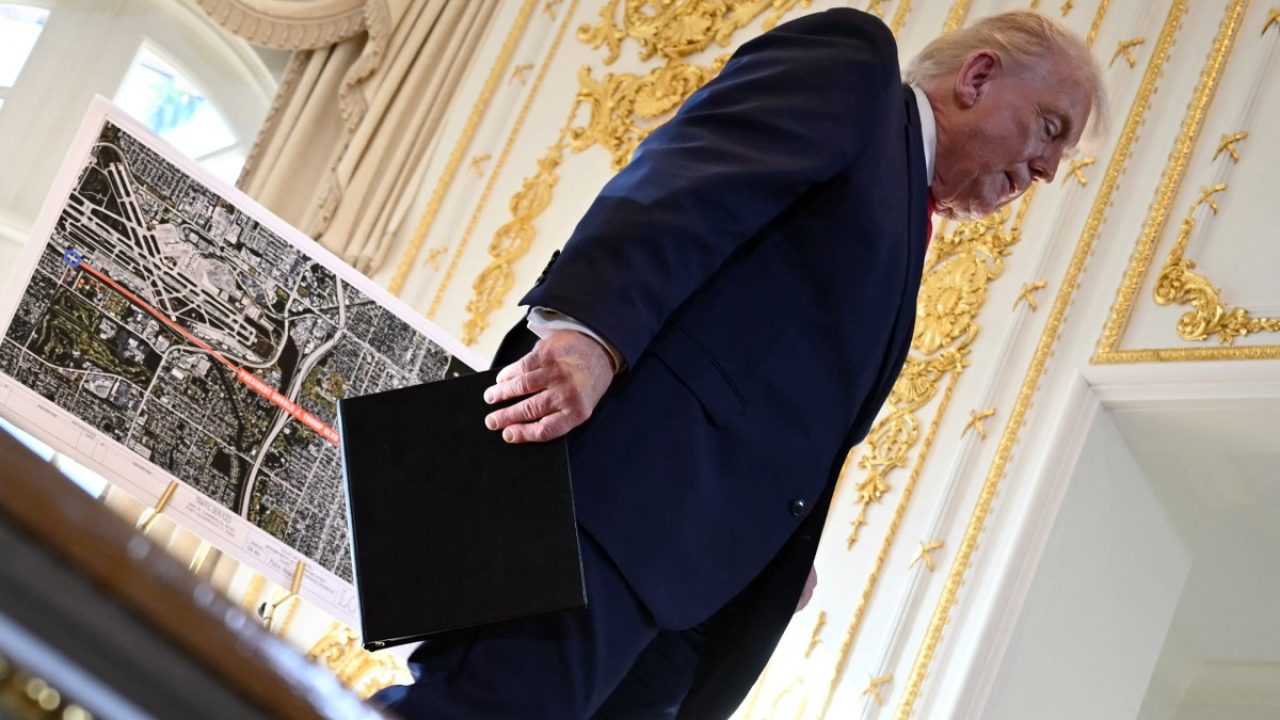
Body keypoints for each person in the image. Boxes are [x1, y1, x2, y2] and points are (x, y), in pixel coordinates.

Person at [374, 7, 1103, 719]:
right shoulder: (857, 68)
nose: (1043, 170)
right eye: (1049, 129)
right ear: (977, 77)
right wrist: (590, 333)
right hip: (608, 511)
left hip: (693, 596)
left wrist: (782, 547)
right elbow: (686, 182)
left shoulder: (906, 211)